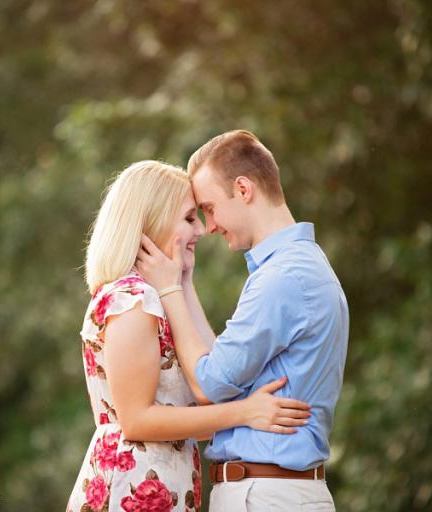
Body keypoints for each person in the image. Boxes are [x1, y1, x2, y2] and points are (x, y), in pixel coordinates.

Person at [66, 160, 312, 512]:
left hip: (167, 484)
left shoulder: (157, 297)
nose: (201, 229)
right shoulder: (133, 299)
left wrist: (182, 282)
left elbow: (214, 389)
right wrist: (245, 413)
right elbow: (137, 420)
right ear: (152, 221)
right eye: (188, 218)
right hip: (131, 487)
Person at [136, 131, 349, 511]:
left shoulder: (284, 277)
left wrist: (168, 291)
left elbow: (209, 384)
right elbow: (221, 369)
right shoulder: (293, 267)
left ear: (244, 188)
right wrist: (183, 280)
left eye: (210, 207)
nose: (209, 226)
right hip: (272, 492)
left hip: (268, 495)